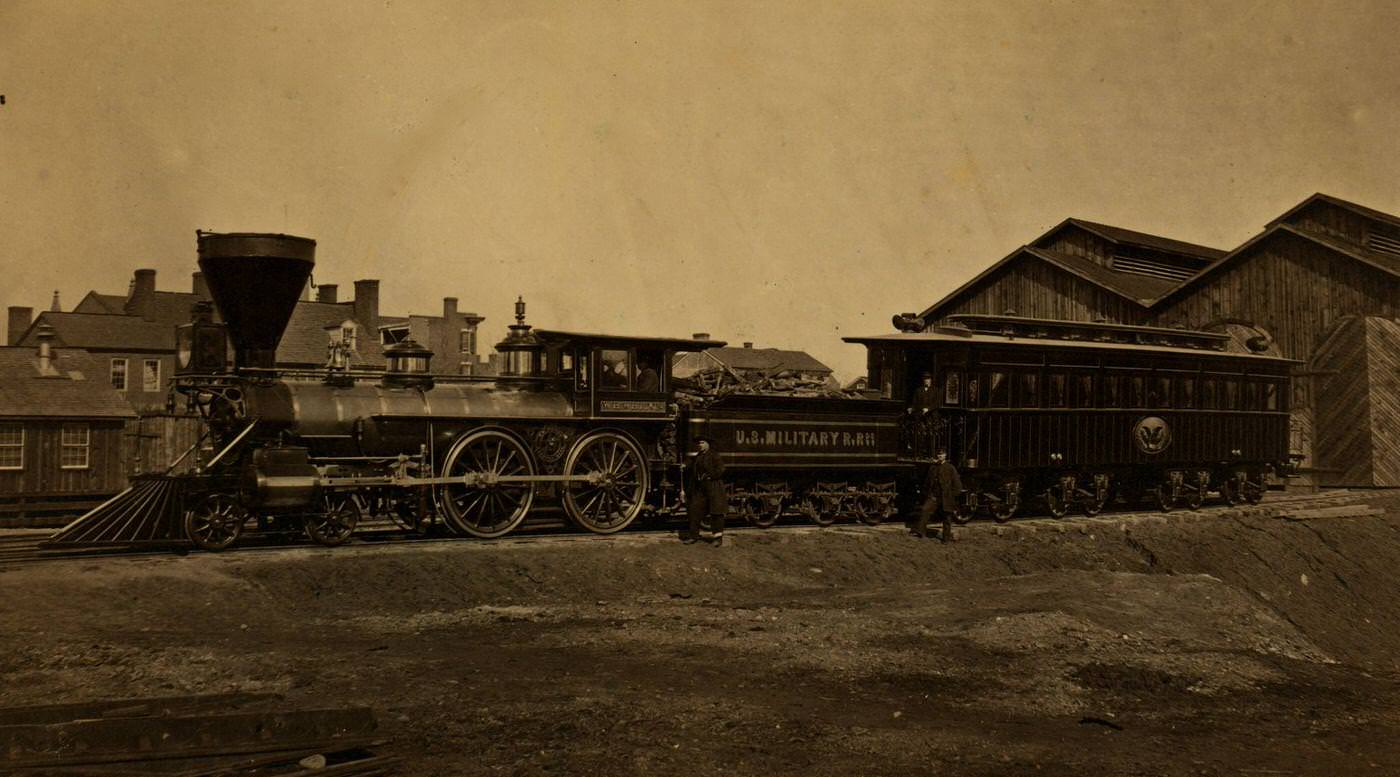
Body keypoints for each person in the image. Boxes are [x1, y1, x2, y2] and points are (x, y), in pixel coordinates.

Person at [684, 437, 728, 545]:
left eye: (702, 443)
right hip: (701, 487)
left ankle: (718, 538)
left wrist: (710, 476)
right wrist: (685, 466)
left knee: (716, 512)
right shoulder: (699, 456)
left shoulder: (714, 455)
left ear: (708, 444)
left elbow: (721, 469)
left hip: (713, 487)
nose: (700, 445)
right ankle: (693, 536)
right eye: (699, 443)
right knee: (695, 510)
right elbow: (693, 466)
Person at [914, 449, 963, 542]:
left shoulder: (950, 468)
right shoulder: (933, 468)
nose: (940, 456)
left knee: (947, 517)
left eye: (942, 454)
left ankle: (946, 538)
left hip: (946, 497)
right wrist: (927, 494)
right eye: (938, 454)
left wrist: (952, 495)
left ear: (945, 455)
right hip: (934, 496)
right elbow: (927, 482)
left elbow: (957, 485)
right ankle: (921, 532)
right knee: (925, 510)